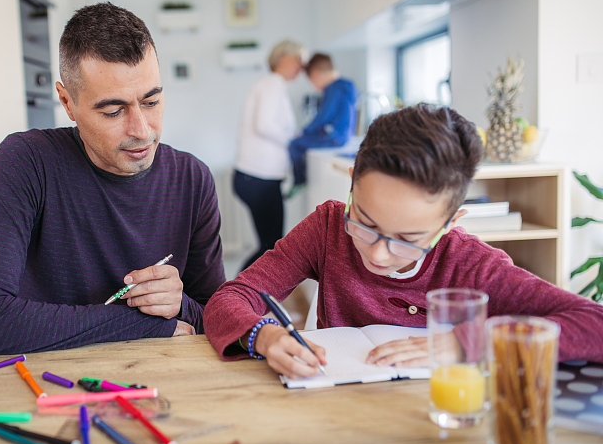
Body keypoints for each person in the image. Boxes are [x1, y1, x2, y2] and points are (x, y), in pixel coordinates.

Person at [204, 104, 603, 379]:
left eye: (409, 239)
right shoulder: (326, 227)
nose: (379, 253)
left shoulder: (470, 262)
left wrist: (467, 342)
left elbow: (595, 324)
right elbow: (231, 297)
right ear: (352, 186)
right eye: (364, 223)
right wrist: (264, 334)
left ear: (449, 223)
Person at [0, 3, 225, 357]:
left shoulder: (192, 179)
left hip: (157, 377)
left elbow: (219, 319)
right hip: (46, 379)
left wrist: (179, 304)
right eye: (113, 111)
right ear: (67, 102)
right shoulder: (27, 162)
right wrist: (142, 325)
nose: (142, 131)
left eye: (151, 101)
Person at [233, 39, 305, 271]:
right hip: (258, 178)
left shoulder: (272, 84)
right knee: (271, 247)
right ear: (283, 57)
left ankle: (239, 289)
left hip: (256, 177)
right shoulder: (273, 83)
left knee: (269, 245)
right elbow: (264, 125)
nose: (302, 65)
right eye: (298, 59)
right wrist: (294, 140)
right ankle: (235, 289)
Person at [288, 53, 359, 189]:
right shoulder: (347, 86)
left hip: (333, 137)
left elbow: (324, 116)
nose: (314, 86)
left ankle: (299, 182)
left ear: (316, 74)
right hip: (343, 136)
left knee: (295, 144)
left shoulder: (333, 88)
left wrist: (304, 131)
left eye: (311, 81)